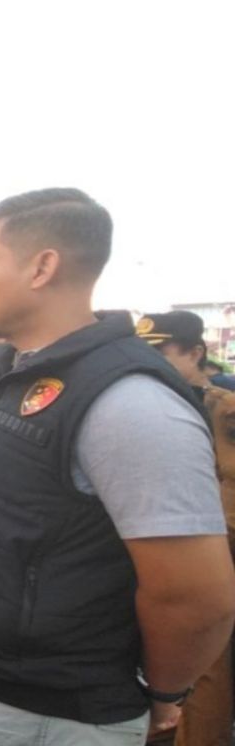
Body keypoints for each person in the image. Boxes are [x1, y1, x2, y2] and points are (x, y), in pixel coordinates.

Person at [0, 189, 235, 744]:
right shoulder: (14, 373)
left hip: (47, 710)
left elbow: (195, 596)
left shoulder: (128, 401)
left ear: (43, 267)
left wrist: (165, 694)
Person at [136, 311, 235, 746]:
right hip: (150, 547)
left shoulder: (222, 409)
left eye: (160, 351)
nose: (148, 361)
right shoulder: (142, 402)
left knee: (204, 663)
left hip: (206, 548)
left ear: (196, 352)